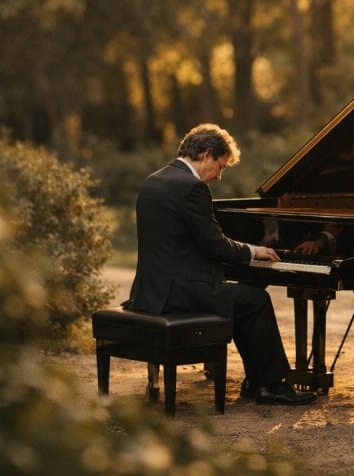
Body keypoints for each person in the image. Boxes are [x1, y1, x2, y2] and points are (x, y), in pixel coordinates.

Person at [124, 123, 316, 405]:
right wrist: (253, 251)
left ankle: (257, 381)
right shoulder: (192, 188)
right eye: (221, 166)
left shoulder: (154, 180)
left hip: (150, 292)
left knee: (240, 299)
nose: (218, 176)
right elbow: (215, 244)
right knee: (256, 300)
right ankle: (272, 385)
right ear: (205, 155)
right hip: (180, 294)